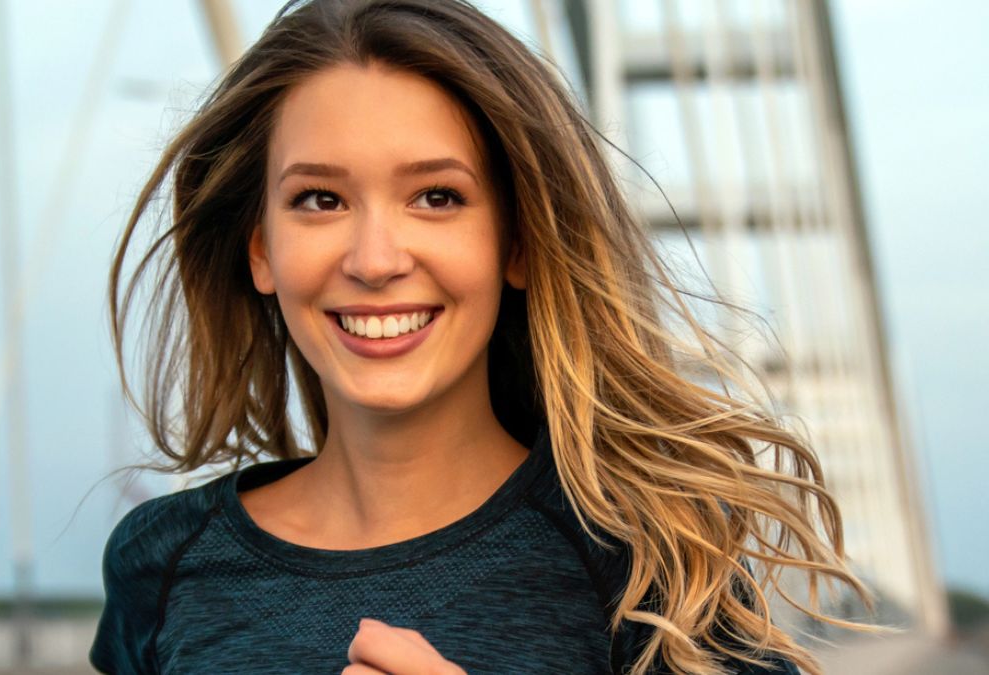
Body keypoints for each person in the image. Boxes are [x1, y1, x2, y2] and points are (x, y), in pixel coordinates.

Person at [90, 0, 883, 672]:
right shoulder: (162, 563)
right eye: (320, 200)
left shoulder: (649, 569)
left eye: (436, 196)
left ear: (517, 241)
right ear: (260, 248)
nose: (374, 260)